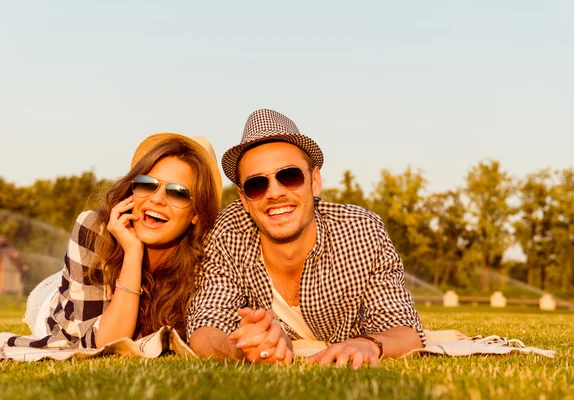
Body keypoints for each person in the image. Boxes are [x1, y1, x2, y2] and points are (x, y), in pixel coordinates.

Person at [187, 109, 425, 368]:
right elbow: (205, 326)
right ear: (243, 199)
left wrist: (368, 344)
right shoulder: (227, 232)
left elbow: (406, 331)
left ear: (314, 181)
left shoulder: (361, 230)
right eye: (257, 184)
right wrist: (239, 349)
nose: (275, 193)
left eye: (289, 176)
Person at [6, 133, 222, 349]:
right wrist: (133, 253)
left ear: (197, 213)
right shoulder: (94, 228)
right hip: (56, 302)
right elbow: (107, 343)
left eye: (178, 192)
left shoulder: (207, 254)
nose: (157, 199)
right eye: (148, 184)